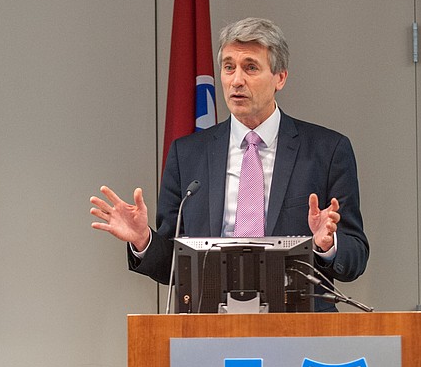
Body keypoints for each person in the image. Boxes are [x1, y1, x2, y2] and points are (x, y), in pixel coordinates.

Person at [90, 17, 368, 311]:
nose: (236, 80)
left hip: (299, 327)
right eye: (228, 67)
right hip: (208, 326)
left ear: (280, 78)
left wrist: (328, 245)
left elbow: (356, 258)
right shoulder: (188, 155)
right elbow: (173, 267)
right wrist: (144, 239)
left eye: (250, 67)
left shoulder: (327, 150)